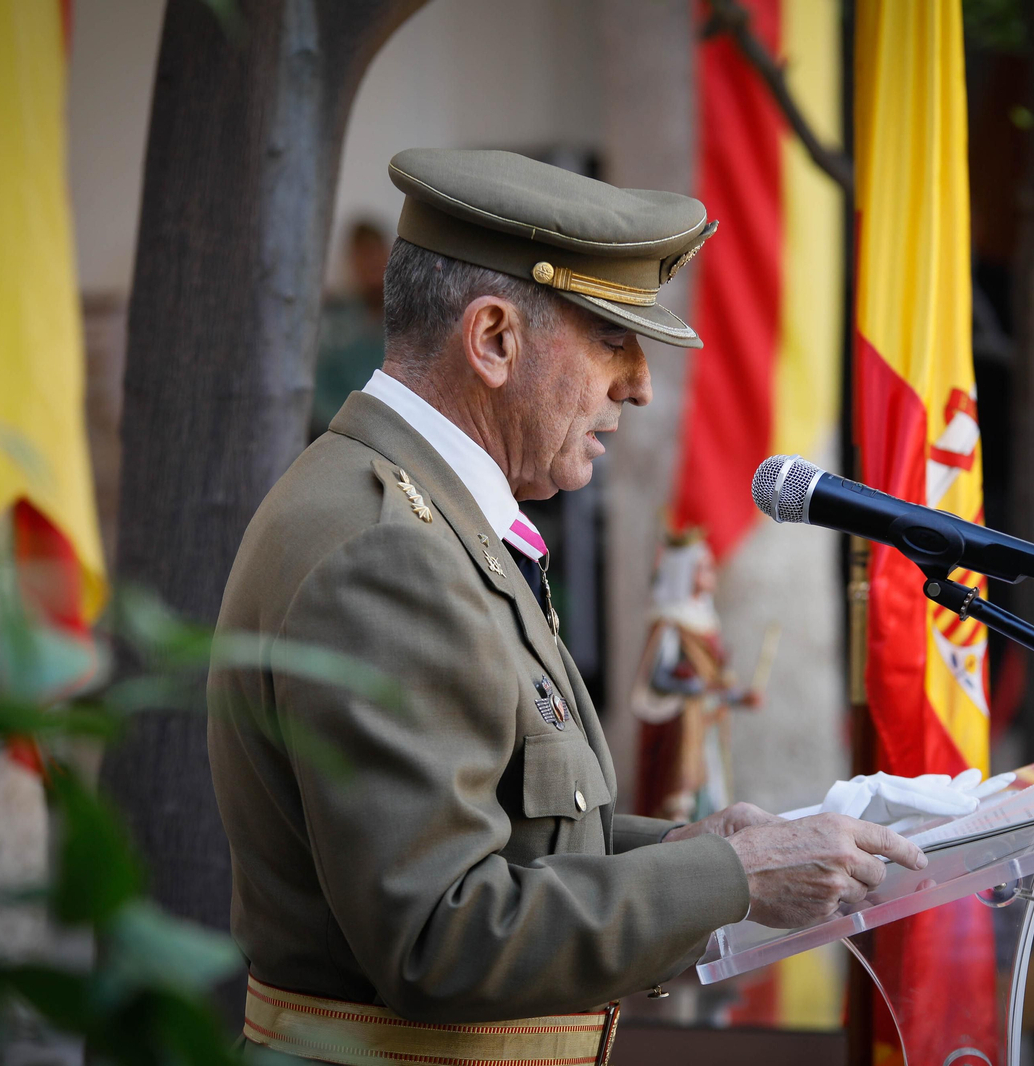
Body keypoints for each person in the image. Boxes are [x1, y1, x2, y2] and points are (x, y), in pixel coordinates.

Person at [207, 149, 925, 1064]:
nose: (639, 383)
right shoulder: (390, 550)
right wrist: (729, 878)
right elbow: (440, 937)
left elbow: (500, 827)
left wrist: (688, 849)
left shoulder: (417, 510)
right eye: (610, 339)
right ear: (494, 340)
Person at [631, 529, 762, 822]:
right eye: (703, 567)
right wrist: (695, 685)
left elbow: (715, 682)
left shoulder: (705, 619)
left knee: (712, 790)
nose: (711, 574)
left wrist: (739, 696)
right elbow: (657, 678)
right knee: (682, 799)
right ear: (684, 571)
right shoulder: (670, 622)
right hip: (682, 727)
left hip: (708, 725)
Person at [310, 219, 392, 438]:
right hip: (341, 434)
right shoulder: (335, 321)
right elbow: (320, 396)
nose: (372, 265)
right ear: (352, 262)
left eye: (376, 254)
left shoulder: (407, 319)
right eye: (364, 256)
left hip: (394, 433)